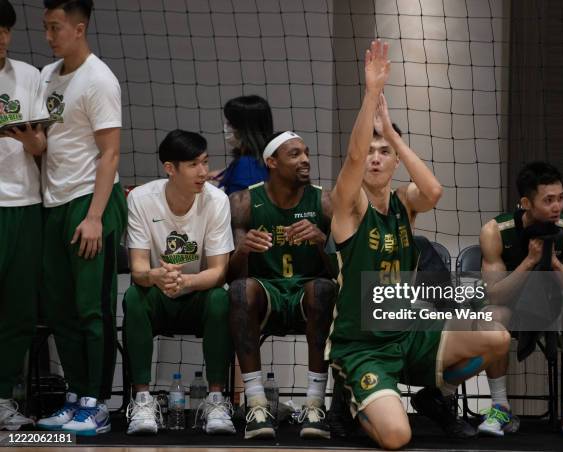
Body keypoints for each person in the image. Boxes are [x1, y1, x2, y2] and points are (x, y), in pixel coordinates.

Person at [326, 40, 510, 450]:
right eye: (371, 151)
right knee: (396, 438)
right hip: (363, 345)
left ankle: (430, 393)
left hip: (407, 331)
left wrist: (392, 132)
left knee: (497, 338)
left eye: (384, 152)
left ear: (395, 162)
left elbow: (434, 191)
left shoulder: (404, 204)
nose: (374, 158)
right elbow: (353, 161)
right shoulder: (349, 207)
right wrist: (372, 93)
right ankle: (353, 400)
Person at [35, 0, 127, 436]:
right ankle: (74, 395)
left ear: (79, 27)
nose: (50, 36)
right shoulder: (47, 77)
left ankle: (98, 401)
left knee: (93, 308)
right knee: (61, 308)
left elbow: (109, 153)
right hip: (53, 204)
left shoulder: (99, 79)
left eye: (56, 27)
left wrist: (94, 217)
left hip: (90, 202)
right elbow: (46, 142)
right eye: (46, 27)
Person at [478, 161, 563, 438]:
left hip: (556, 309)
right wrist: (529, 261)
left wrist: (554, 264)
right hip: (513, 309)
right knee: (492, 314)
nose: (557, 207)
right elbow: (495, 294)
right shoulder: (494, 232)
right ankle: (500, 407)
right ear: (526, 202)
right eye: (548, 200)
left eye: (560, 198)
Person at [122, 129, 235, 435]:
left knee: (221, 297)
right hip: (160, 292)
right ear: (170, 168)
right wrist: (156, 276)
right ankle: (143, 401)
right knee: (134, 297)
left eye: (205, 162)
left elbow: (218, 272)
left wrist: (186, 282)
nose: (203, 172)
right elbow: (138, 269)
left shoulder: (217, 200)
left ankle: (215, 400)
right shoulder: (141, 200)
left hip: (196, 291)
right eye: (193, 165)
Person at [228, 131, 336, 439]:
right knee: (239, 291)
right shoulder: (244, 202)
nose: (305, 160)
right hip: (267, 294)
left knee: (324, 289)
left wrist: (321, 242)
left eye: (306, 153)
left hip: (308, 295)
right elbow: (231, 276)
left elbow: (340, 271)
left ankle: (315, 405)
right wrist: (242, 250)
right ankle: (257, 404)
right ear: (272, 162)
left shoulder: (325, 201)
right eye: (295, 155)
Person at [0, 0, 47, 431]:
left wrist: (35, 145)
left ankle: (1, 400)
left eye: (5, 30)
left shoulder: (29, 77)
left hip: (25, 206)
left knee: (17, 312)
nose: (0, 37)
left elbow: (43, 143)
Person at [210, 95, 271, 194]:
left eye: (230, 122)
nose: (226, 126)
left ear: (245, 129)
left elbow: (236, 205)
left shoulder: (246, 166)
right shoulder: (263, 160)